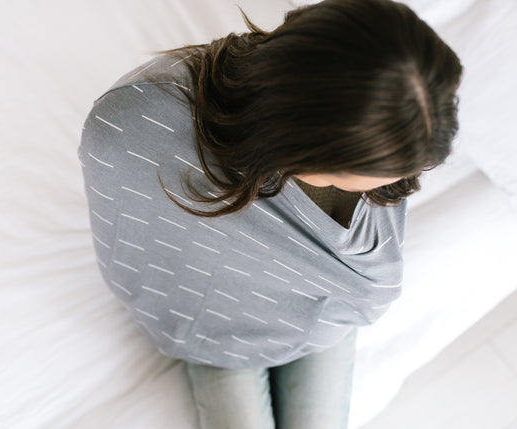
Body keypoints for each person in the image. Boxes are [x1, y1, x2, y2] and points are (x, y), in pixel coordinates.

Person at [77, 0, 463, 427]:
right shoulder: (139, 123)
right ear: (302, 144)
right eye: (352, 177)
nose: (379, 190)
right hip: (214, 327)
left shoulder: (393, 121)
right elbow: (139, 241)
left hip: (318, 315)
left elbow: (367, 290)